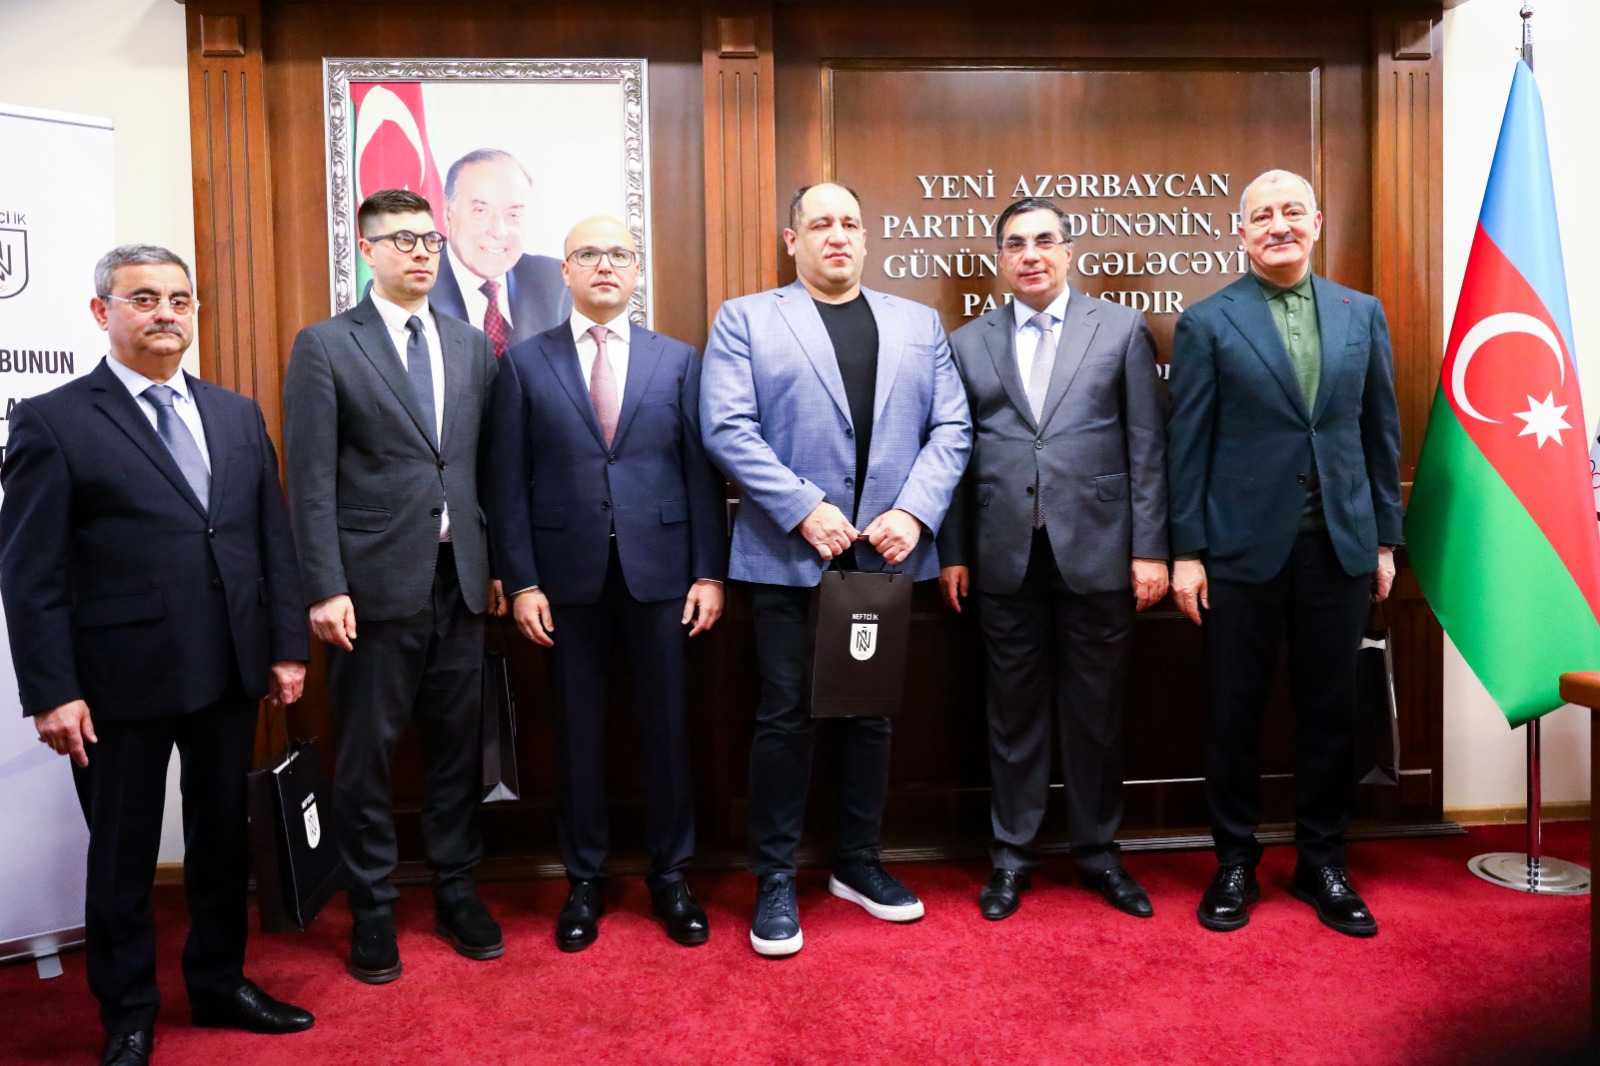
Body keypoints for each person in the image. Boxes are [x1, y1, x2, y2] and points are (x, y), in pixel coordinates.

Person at [0, 244, 313, 1066]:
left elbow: (271, 541)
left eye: (179, 298)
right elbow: (30, 573)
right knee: (123, 858)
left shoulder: (235, 414)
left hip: (229, 669)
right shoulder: (53, 420)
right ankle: (129, 1012)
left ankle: (219, 983)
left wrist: (286, 646)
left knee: (221, 844)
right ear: (101, 312)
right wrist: (51, 691)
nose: (166, 312)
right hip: (116, 684)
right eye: (144, 298)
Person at [700, 182, 971, 957]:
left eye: (850, 222)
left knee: (871, 714)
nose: (838, 235)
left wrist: (914, 512)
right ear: (793, 240)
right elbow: (727, 427)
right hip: (789, 555)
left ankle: (858, 862)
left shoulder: (917, 323)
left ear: (865, 235)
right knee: (785, 716)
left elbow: (952, 427)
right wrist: (802, 507)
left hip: (884, 556)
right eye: (820, 223)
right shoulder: (747, 319)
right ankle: (775, 876)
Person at [1166, 169, 1402, 938]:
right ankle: (1234, 861)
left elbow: (1380, 433)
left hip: (1339, 547)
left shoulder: (1362, 313)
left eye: (1292, 211)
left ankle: (1321, 862)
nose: (1278, 225)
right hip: (1238, 554)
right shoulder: (1207, 322)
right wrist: (1187, 552)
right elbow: (1185, 446)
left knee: (1331, 711)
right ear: (1241, 233)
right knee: (1233, 710)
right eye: (1262, 215)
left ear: (1316, 222)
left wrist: (1385, 539)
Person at [482, 215, 727, 951]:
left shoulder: (678, 360)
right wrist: (522, 581)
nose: (605, 265)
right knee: (577, 735)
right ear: (564, 270)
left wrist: (709, 571)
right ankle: (583, 878)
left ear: (637, 269)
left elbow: (701, 474)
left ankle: (671, 876)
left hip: (664, 576)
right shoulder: (524, 364)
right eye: (588, 254)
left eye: (619, 253)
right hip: (565, 582)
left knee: (668, 732)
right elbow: (507, 484)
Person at [282, 189, 507, 984]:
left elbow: (485, 465)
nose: (420, 252)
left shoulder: (471, 345)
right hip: (370, 588)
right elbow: (310, 479)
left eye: (429, 240)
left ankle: (456, 891)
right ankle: (372, 908)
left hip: (460, 581)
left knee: (456, 752)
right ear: (367, 250)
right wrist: (324, 586)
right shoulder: (326, 345)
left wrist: (498, 566)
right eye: (402, 240)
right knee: (367, 758)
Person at [936, 198, 1168, 921]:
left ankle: (1098, 853)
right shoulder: (967, 342)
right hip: (1001, 555)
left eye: (1044, 241)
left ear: (1069, 252)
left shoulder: (1121, 328)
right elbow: (953, 451)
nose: (1030, 254)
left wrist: (1150, 549)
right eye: (1015, 244)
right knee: (1012, 715)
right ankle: (1011, 857)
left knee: (1096, 713)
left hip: (1100, 551)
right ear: (1000, 260)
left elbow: (1147, 446)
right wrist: (952, 550)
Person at [431, 148, 571, 355]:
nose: (498, 231)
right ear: (447, 212)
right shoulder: (413, 286)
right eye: (481, 211)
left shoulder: (557, 282)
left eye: (513, 214)